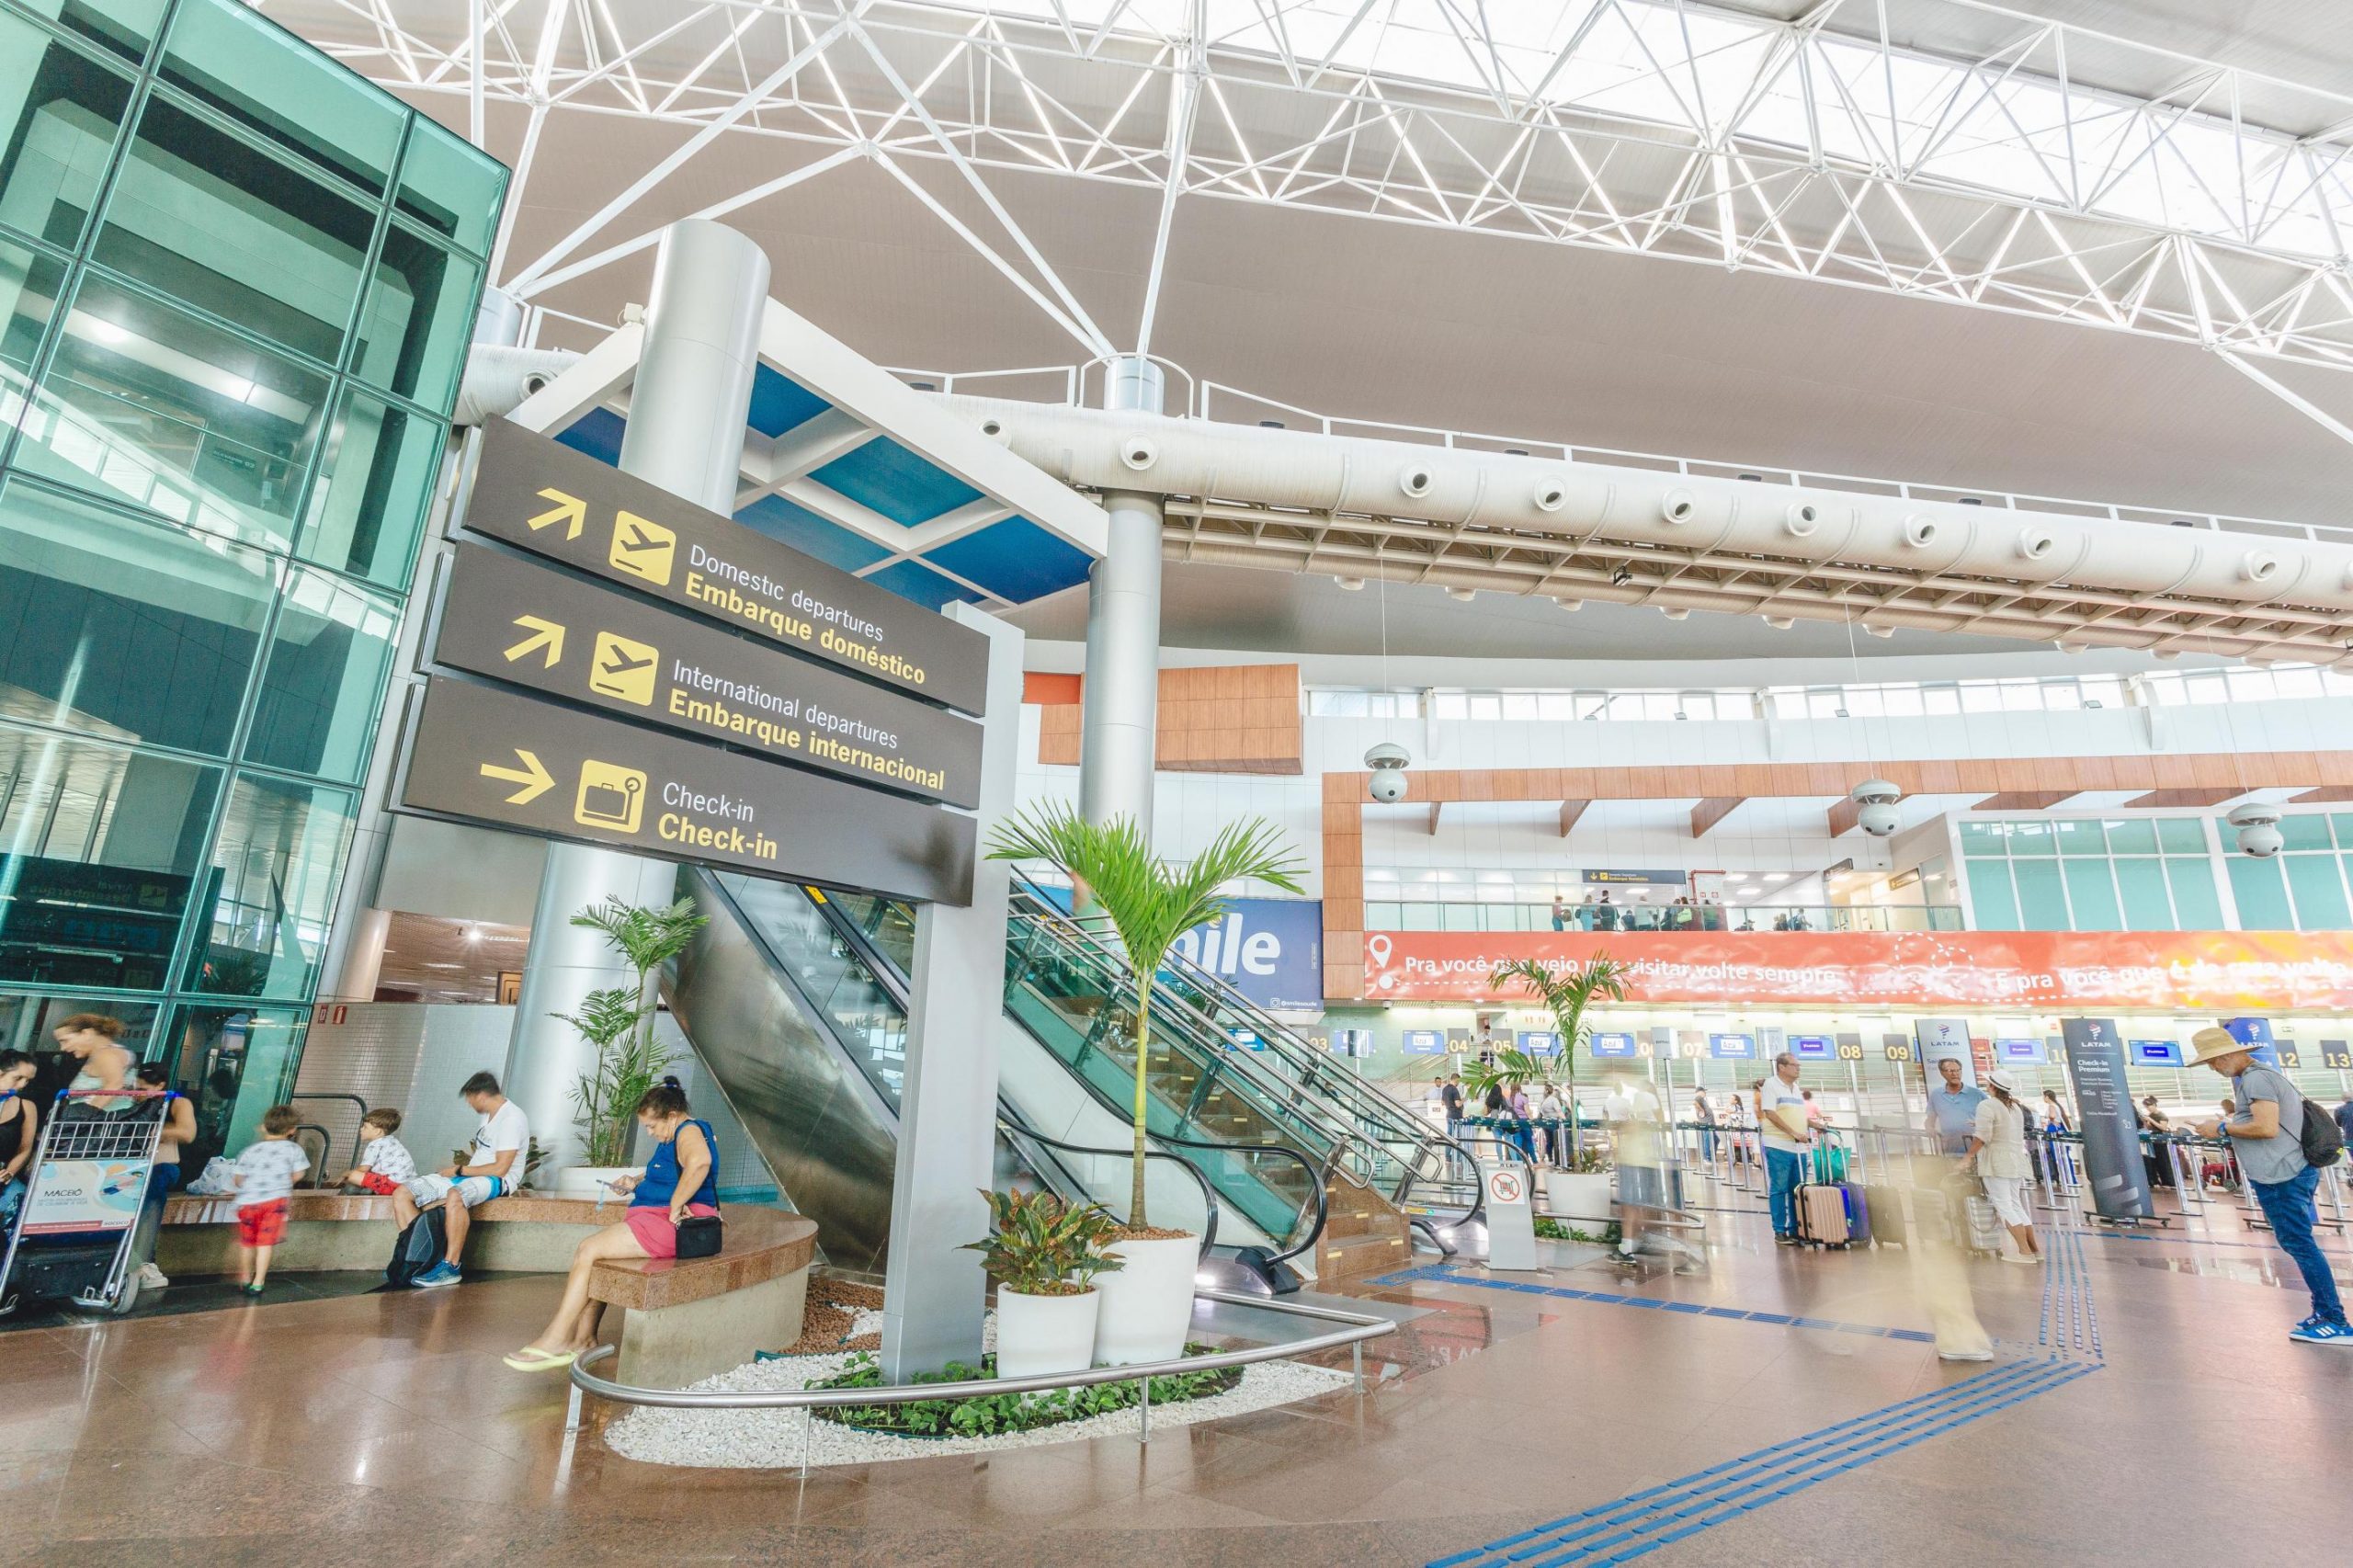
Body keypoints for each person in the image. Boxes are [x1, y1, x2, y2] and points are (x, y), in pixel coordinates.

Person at [505, 1078, 717, 1371]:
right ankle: (584, 1339)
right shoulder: (675, 1135)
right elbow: (670, 1171)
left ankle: (556, 1339)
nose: (650, 1133)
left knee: (588, 1250)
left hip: (671, 1224)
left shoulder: (688, 1130)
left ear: (672, 1115)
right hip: (655, 1218)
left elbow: (700, 1162)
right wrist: (636, 1181)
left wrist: (676, 1206)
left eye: (652, 1126)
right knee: (597, 1258)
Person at [2183, 1027, 2348, 1345]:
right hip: (2287, 1172)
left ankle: (2334, 1319)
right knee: (2298, 1243)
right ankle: (2325, 1312)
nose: (2213, 1068)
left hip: (2282, 1175)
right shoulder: (2261, 1077)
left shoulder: (2256, 1080)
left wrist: (2221, 1128)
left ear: (2228, 1055)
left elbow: (2266, 1127)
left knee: (2300, 1244)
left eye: (2214, 1061)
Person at [394, 1071, 529, 1290]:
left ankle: (450, 1267)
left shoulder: (511, 1119)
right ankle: (418, 1258)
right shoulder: (489, 1116)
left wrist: (459, 1170)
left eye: (469, 1098)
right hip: (469, 1175)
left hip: (498, 1180)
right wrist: (459, 1172)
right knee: (403, 1193)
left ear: (481, 1095)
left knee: (455, 1195)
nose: (468, 1103)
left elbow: (500, 1168)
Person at [129, 1062, 196, 1290]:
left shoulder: (177, 1103)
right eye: (135, 1089)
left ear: (160, 1086)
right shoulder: (129, 1102)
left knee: (152, 1189)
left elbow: (187, 1133)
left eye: (143, 1090)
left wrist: (150, 1130)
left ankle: (146, 1260)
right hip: (129, 1167)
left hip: (162, 1165)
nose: (137, 1094)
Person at [1961, 1069, 2040, 1264]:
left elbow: (1983, 1136)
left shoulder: (1987, 1105)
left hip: (1996, 1161)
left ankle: (2024, 1252)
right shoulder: (2015, 1107)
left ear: (1992, 1086)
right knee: (2015, 1204)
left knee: (2004, 1206)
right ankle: (2035, 1250)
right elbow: (2005, 1128)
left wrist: (1968, 1156)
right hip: (2015, 1160)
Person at [231, 1106, 310, 1295]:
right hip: (274, 1203)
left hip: (248, 1203)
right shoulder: (294, 1149)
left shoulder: (251, 1151)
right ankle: (258, 1282)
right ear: (292, 1130)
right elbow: (299, 1174)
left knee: (247, 1242)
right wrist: (283, 1183)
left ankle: (245, 1278)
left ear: (263, 1127)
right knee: (264, 1244)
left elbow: (238, 1179)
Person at [1756, 1053, 1813, 1244]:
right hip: (1778, 1145)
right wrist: (1793, 1132)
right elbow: (1770, 1113)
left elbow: (1797, 1114)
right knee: (1779, 1188)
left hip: (1799, 1148)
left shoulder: (1796, 1088)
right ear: (1781, 1067)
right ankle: (1779, 1230)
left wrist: (1813, 1125)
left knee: (1797, 1190)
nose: (1798, 1068)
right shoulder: (1771, 1085)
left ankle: (1796, 1229)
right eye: (1794, 1065)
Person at [54, 1013, 132, 1110]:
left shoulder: (105, 1054)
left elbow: (114, 1085)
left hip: (99, 1118)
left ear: (86, 1034)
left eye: (65, 1041)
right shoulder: (104, 1054)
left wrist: (86, 1115)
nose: (63, 1048)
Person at [0, 1050, 38, 1235]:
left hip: (4, 1175)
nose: (22, 1085)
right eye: (18, 1078)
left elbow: (25, 1148)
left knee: (23, 1205)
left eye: (28, 1080)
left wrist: (8, 1174)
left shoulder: (27, 1107)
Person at [342, 1108, 417, 1196]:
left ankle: (372, 1191)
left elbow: (363, 1169)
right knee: (366, 1176)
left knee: (354, 1175)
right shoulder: (392, 1141)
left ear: (377, 1131)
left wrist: (346, 1174)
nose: (361, 1129)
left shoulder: (375, 1145)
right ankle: (371, 1190)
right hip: (408, 1186)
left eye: (365, 1127)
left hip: (392, 1185)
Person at [1923, 1057, 1985, 1157]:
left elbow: (1991, 1120)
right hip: (1950, 1153)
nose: (1955, 1074)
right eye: (1950, 1071)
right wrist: (1930, 1130)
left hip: (1976, 1153)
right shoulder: (1936, 1095)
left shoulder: (1977, 1094)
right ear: (1942, 1073)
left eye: (1958, 1070)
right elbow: (1930, 1121)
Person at [1691, 1085, 1717, 1163]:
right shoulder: (1699, 1098)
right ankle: (1708, 1158)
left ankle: (1711, 1156)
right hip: (1707, 1123)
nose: (1705, 1092)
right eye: (1704, 1091)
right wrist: (1701, 1110)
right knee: (1707, 1141)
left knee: (1716, 1140)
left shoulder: (1702, 1099)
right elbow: (1694, 1103)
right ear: (1700, 1092)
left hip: (1709, 1123)